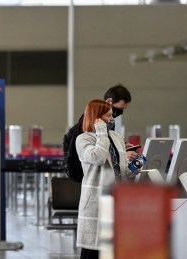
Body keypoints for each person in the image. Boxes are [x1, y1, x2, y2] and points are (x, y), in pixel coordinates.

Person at [75, 99, 136, 259]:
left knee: (112, 250)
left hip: (116, 200)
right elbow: (99, 157)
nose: (112, 118)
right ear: (97, 118)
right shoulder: (83, 139)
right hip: (96, 202)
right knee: (93, 250)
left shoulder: (116, 137)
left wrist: (134, 168)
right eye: (108, 115)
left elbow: (119, 168)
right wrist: (101, 132)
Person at [64, 84, 136, 182]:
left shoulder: (110, 126)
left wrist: (120, 147)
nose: (113, 118)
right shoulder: (83, 135)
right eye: (119, 109)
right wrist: (120, 155)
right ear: (109, 101)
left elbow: (106, 144)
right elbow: (98, 157)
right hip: (87, 175)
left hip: (106, 179)